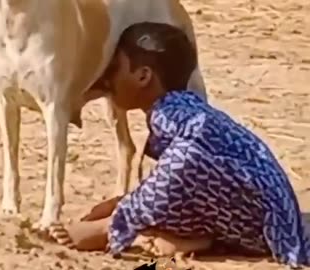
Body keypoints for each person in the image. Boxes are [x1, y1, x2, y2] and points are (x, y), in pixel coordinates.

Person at [48, 22, 310, 268]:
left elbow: (188, 161)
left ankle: (118, 229)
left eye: (115, 68)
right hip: (263, 211)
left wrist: (118, 219)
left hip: (267, 224)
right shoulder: (183, 107)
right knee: (166, 187)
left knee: (179, 172)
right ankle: (192, 238)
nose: (108, 80)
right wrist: (129, 200)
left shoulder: (174, 114)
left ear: (143, 76)